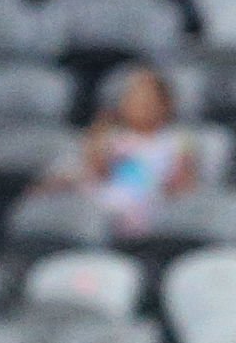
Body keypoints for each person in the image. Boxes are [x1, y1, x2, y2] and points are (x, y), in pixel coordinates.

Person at [37, 64, 198, 237]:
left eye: (147, 99)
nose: (140, 105)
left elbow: (182, 187)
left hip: (152, 207)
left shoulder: (176, 142)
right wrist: (98, 141)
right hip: (104, 206)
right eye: (132, 98)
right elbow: (96, 173)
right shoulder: (111, 138)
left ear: (166, 105)